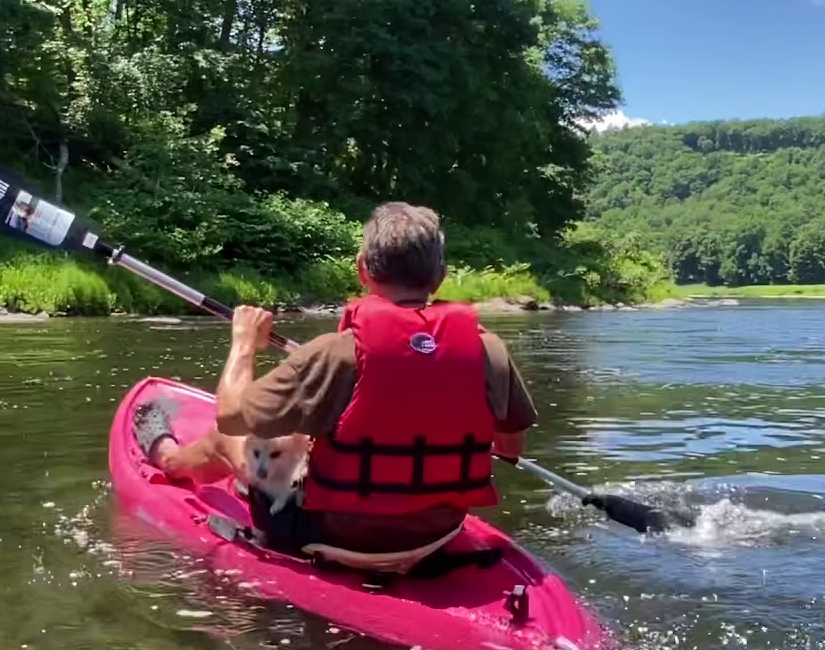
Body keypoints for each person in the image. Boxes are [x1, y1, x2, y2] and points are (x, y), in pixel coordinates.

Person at [132, 202, 537, 562]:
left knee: (229, 439)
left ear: (362, 268)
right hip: (439, 531)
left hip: (333, 533)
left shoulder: (334, 352)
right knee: (302, 441)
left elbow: (230, 417)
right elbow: (509, 447)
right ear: (440, 276)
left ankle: (168, 458)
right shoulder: (488, 350)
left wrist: (243, 342)